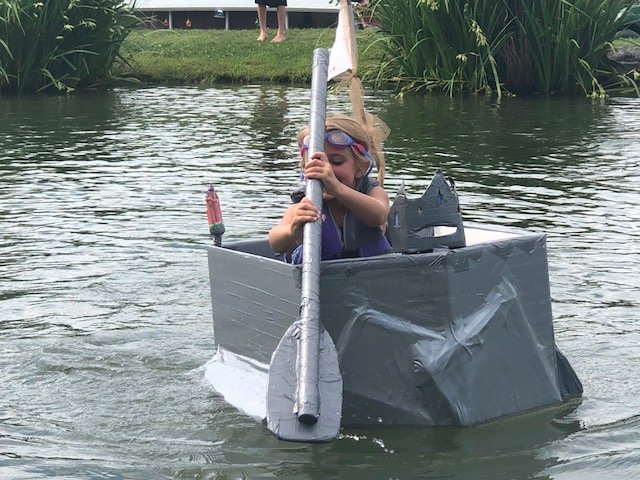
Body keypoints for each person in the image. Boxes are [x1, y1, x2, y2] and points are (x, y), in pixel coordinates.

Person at [268, 114, 392, 263]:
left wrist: (337, 188)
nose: (326, 170)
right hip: (320, 280)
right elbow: (275, 243)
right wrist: (292, 230)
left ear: (361, 168)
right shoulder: (304, 204)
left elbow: (378, 216)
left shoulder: (373, 192)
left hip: (371, 277)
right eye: (316, 164)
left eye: (336, 162)